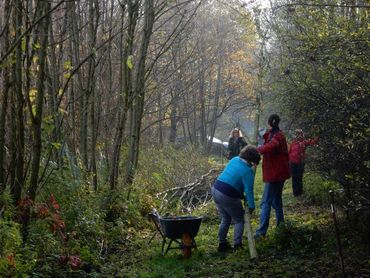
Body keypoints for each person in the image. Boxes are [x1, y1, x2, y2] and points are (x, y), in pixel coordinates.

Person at [211, 146, 261, 252]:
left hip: (216, 189)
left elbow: (232, 178)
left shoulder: (234, 159)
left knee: (226, 218)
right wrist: (251, 206)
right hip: (227, 195)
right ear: (252, 160)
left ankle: (222, 243)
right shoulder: (248, 171)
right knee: (239, 220)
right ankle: (237, 245)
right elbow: (249, 190)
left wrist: (240, 195)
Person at [254, 114, 290, 238]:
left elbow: (271, 146)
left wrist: (258, 149)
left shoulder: (278, 136)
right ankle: (281, 227)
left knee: (265, 202)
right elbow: (267, 139)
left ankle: (261, 232)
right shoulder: (273, 133)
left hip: (276, 174)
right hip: (277, 172)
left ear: (270, 122)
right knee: (276, 201)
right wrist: (260, 135)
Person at [289, 129, 319, 196]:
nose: (299, 135)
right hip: (292, 163)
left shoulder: (304, 142)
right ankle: (295, 193)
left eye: (300, 134)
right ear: (296, 135)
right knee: (294, 178)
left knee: (299, 177)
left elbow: (312, 142)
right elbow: (289, 152)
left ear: (302, 135)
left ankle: (300, 192)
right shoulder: (293, 143)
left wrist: (317, 136)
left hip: (300, 163)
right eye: (297, 134)